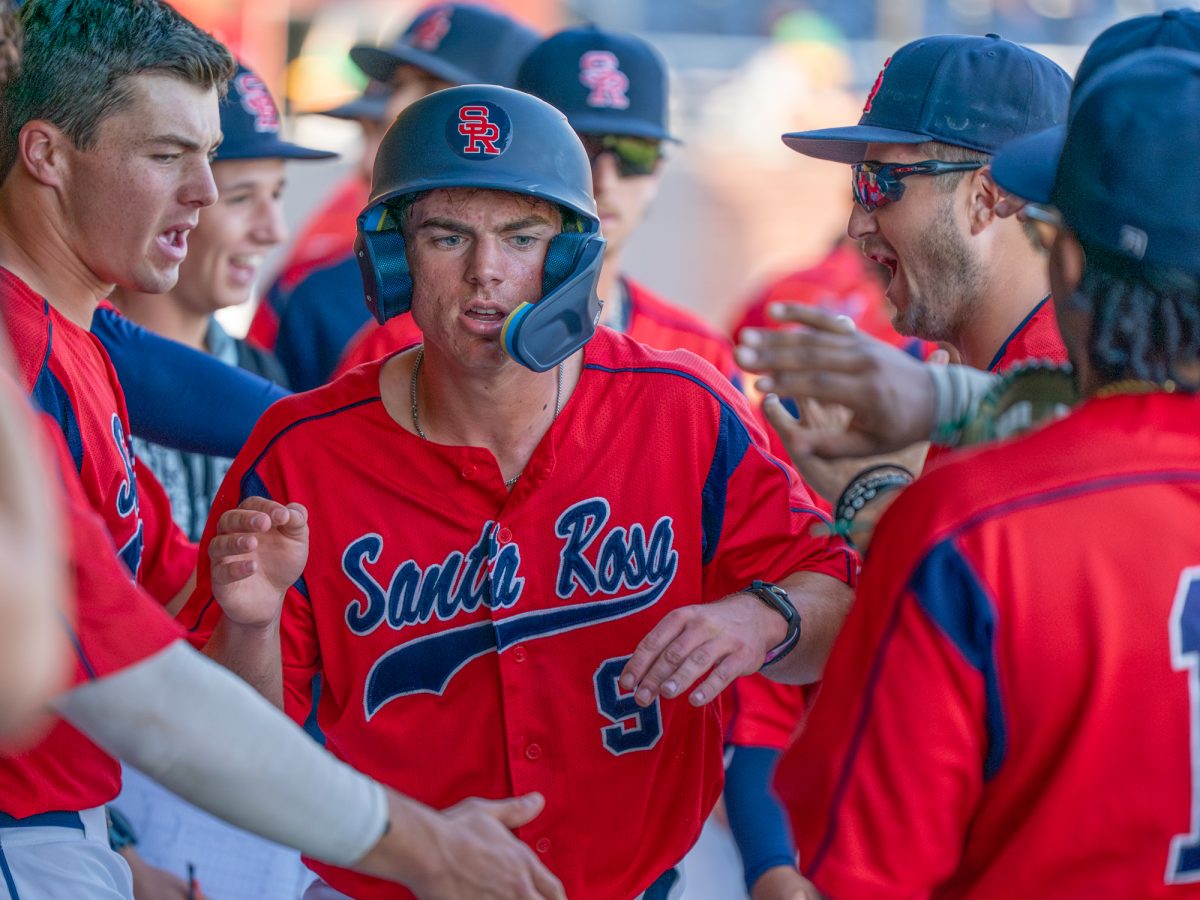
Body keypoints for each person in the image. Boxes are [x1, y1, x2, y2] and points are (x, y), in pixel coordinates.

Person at [177, 83, 856, 900]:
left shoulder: (682, 409)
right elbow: (246, 755)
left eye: (522, 236)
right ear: (393, 258)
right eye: (446, 236)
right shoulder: (303, 453)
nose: (485, 273)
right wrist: (250, 625)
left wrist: (763, 617)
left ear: (569, 258)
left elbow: (838, 605)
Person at [0, 4, 563, 898]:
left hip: (72, 830)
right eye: (164, 155)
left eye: (209, 157)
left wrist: (257, 605)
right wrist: (416, 843)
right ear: (47, 155)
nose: (204, 192)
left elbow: (182, 605)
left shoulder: (79, 343)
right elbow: (137, 685)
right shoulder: (22, 357)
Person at [773, 46, 1200, 897]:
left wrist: (871, 493)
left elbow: (858, 861)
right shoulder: (995, 408)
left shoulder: (976, 512)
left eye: (879, 183)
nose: (857, 221)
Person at [336, 24, 737, 385]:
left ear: (660, 168)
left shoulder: (700, 355)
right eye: (578, 149)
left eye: (636, 153)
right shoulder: (402, 343)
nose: (604, 181)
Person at [261, 2, 540, 390]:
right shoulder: (322, 290)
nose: (394, 107)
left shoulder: (565, 280)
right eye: (399, 89)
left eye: (430, 90)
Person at [111, 62, 333, 541]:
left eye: (276, 194)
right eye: (240, 198)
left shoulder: (260, 371)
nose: (273, 229)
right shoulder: (70, 361)